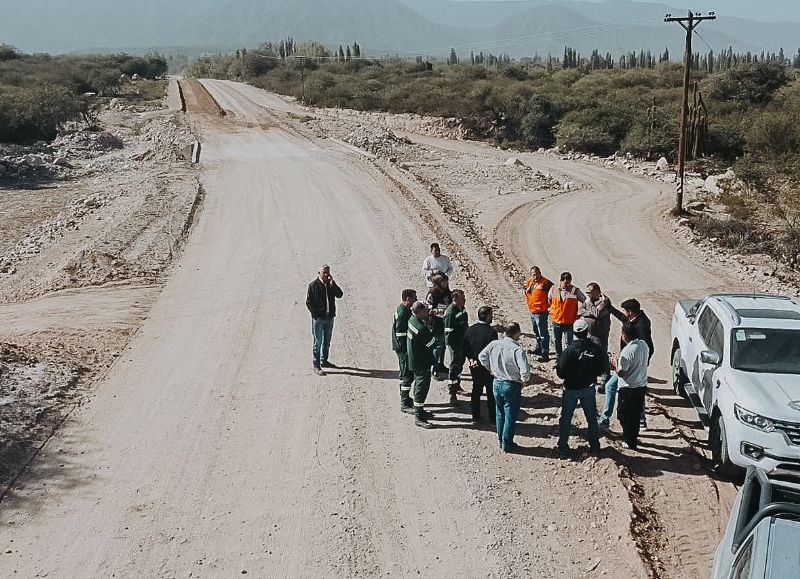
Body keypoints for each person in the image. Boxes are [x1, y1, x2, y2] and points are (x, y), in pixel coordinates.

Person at [556, 319, 608, 459]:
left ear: (574, 332)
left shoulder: (568, 351)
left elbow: (560, 373)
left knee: (566, 419)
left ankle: (563, 447)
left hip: (571, 389)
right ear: (587, 331)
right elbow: (601, 368)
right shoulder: (595, 348)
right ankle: (595, 447)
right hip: (588, 388)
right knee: (591, 418)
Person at [600, 298, 654, 430]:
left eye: (625, 310)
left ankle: (606, 419)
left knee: (624, 388)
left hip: (632, 365)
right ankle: (640, 420)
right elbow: (623, 319)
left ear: (630, 312)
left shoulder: (642, 326)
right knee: (635, 389)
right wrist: (610, 307)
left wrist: (640, 364)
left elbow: (649, 347)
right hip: (630, 363)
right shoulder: (635, 319)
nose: (623, 313)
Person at [479, 322, 531, 453]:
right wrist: (524, 381)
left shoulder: (494, 344)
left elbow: (482, 357)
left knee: (500, 413)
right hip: (511, 385)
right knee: (510, 416)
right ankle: (507, 443)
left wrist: (491, 369)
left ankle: (501, 439)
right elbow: (525, 371)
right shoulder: (517, 350)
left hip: (496, 382)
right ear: (516, 333)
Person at [614, 323, 649, 449]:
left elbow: (622, 372)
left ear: (624, 334)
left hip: (628, 388)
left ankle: (629, 440)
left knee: (624, 415)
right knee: (635, 415)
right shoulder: (644, 345)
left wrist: (614, 366)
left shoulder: (626, 351)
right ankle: (633, 438)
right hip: (641, 386)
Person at [306, 264, 344, 376]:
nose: (326, 275)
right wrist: (316, 315)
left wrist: (333, 284)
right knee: (317, 342)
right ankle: (316, 365)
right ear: (319, 273)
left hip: (329, 318)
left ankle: (324, 360)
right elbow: (309, 303)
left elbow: (340, 295)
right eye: (324, 272)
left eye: (328, 272)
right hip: (318, 319)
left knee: (327, 341)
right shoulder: (313, 286)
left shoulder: (330, 285)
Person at [463, 306, 498, 424]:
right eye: (491, 315)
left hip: (475, 366)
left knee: (476, 390)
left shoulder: (470, 330)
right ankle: (493, 418)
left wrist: (471, 359)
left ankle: (476, 416)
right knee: (490, 393)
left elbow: (465, 347)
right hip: (487, 367)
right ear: (487, 316)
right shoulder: (491, 332)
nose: (492, 317)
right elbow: (493, 351)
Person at [407, 301, 437, 429]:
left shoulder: (412, 320)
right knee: (421, 388)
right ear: (419, 312)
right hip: (422, 361)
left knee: (419, 386)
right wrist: (432, 331)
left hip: (415, 359)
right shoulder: (421, 328)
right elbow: (432, 343)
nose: (428, 312)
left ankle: (420, 411)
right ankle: (419, 417)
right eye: (425, 310)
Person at [548, 272, 586, 360]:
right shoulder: (553, 289)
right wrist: (553, 312)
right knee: (557, 341)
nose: (567, 285)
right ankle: (559, 358)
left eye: (569, 282)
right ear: (561, 281)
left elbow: (585, 302)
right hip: (556, 321)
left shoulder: (575, 291)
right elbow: (549, 300)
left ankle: (568, 359)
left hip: (569, 322)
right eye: (565, 283)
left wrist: (580, 313)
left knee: (569, 342)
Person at [579, 282, 611, 385]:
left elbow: (597, 313)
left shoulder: (604, 301)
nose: (587, 294)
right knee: (590, 356)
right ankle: (592, 378)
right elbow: (581, 310)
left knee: (601, 355)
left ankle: (605, 379)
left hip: (599, 334)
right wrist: (589, 313)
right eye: (586, 292)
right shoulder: (589, 300)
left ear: (596, 291)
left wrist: (590, 309)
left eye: (590, 292)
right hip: (589, 333)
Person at [392, 289, 417, 414]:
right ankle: (404, 402)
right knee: (406, 374)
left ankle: (406, 398)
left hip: (403, 348)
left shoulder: (404, 310)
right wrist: (407, 350)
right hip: (403, 349)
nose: (415, 300)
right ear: (407, 298)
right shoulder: (403, 313)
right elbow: (401, 334)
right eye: (414, 298)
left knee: (405, 373)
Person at [443, 289, 469, 404]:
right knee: (454, 366)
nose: (465, 300)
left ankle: (457, 385)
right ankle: (452, 392)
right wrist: (454, 348)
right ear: (455, 299)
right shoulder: (450, 312)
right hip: (455, 345)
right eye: (462, 298)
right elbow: (448, 333)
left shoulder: (462, 309)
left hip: (462, 342)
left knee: (460, 365)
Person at [425, 273, 452, 380]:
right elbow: (428, 309)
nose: (446, 283)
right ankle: (434, 368)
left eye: (446, 281)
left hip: (444, 323)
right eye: (443, 281)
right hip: (435, 324)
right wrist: (443, 312)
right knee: (437, 347)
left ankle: (440, 365)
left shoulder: (446, 292)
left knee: (443, 346)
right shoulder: (432, 293)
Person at [524, 266, 553, 362]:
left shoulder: (546, 283)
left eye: (537, 274)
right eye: (533, 275)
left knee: (543, 333)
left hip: (541, 312)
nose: (535, 276)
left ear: (540, 273)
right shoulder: (530, 282)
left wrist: (550, 306)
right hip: (533, 311)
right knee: (536, 331)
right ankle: (539, 348)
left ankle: (545, 354)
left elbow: (554, 293)